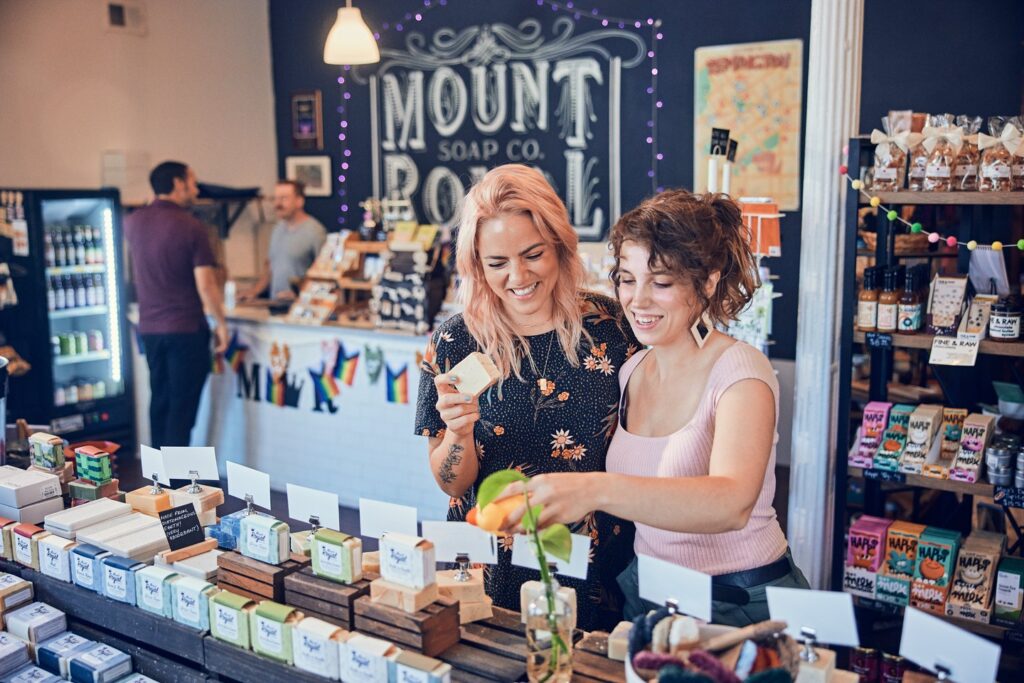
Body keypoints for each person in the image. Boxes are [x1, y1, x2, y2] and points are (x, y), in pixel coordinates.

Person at [501, 189, 808, 627]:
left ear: (708, 281)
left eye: (661, 282)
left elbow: (731, 503)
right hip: (649, 595)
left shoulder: (740, 371)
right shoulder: (632, 369)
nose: (638, 300)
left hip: (738, 603)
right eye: (627, 278)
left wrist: (592, 490)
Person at [415, 164, 638, 631]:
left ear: (559, 243)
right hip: (490, 566)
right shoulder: (456, 342)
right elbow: (452, 485)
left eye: (533, 254)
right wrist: (459, 431)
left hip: (594, 564)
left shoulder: (615, 329)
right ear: (477, 264)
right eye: (496, 263)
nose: (518, 276)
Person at [126, 161, 228, 448]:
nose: (196, 189)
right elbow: (206, 286)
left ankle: (156, 480)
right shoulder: (192, 227)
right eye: (192, 182)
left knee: (160, 401)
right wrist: (221, 324)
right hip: (186, 329)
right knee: (182, 409)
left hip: (150, 330)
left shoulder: (133, 222)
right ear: (177, 183)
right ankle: (179, 483)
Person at [240, 180, 326, 301]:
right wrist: (254, 291)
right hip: (275, 303)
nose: (278, 204)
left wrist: (300, 294)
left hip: (301, 307)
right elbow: (270, 266)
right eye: (276, 198)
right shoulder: (277, 229)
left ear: (299, 201)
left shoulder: (315, 232)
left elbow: (325, 274)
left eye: (284, 198)